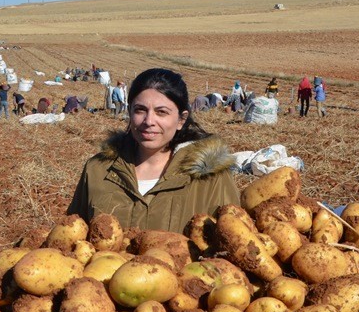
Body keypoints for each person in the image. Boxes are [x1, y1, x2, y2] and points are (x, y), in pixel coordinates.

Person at [67, 67, 240, 232]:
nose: (149, 121)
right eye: (140, 110)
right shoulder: (98, 169)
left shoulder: (211, 179)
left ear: (181, 119)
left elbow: (232, 242)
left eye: (161, 112)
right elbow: (73, 233)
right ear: (129, 112)